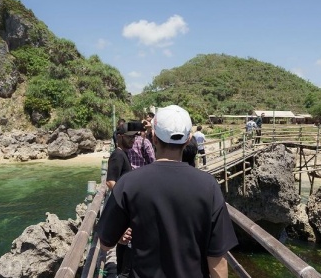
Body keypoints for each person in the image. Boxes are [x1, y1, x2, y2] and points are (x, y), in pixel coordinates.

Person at [98, 105, 238, 278]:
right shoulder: (209, 186)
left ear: (154, 138)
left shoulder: (129, 183)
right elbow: (217, 262)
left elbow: (105, 243)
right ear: (188, 140)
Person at [105, 121, 140, 278]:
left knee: (126, 249)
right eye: (129, 137)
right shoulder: (117, 155)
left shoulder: (123, 154)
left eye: (135, 137)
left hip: (125, 210)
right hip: (123, 209)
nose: (133, 140)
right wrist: (125, 200)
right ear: (119, 137)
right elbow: (110, 181)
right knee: (125, 254)